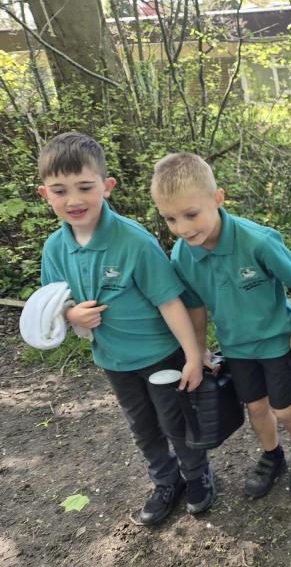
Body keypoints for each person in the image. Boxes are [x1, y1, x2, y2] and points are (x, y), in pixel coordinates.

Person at [36, 133, 214, 525]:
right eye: (60, 191)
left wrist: (192, 355)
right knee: (142, 427)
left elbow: (170, 302)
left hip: (160, 355)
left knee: (176, 422)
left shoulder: (134, 241)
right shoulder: (54, 249)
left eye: (85, 187)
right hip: (113, 360)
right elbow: (54, 301)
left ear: (107, 186)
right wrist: (71, 314)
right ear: (45, 194)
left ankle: (197, 475)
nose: (74, 200)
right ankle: (165, 481)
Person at [150, 153, 291, 499]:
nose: (182, 228)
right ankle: (272, 455)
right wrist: (199, 349)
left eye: (191, 214)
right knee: (256, 407)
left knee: (284, 408)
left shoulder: (257, 241)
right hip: (236, 346)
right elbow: (195, 306)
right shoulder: (182, 255)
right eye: (170, 219)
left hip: (277, 340)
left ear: (218, 198)